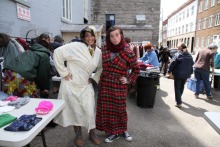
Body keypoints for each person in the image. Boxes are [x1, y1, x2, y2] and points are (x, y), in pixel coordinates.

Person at [53, 26, 102, 147]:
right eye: (86, 36)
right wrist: (64, 73)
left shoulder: (98, 52)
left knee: (90, 110)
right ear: (83, 37)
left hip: (86, 84)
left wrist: (94, 78)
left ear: (96, 37)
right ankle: (78, 134)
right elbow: (57, 53)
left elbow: (101, 68)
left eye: (92, 35)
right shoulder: (74, 46)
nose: (89, 38)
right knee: (76, 111)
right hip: (72, 84)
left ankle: (92, 133)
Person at [96, 26, 140, 143]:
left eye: (117, 35)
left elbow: (136, 70)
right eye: (112, 36)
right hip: (105, 84)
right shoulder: (104, 49)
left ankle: (123, 130)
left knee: (120, 109)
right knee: (108, 110)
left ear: (121, 35)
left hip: (118, 85)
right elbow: (99, 65)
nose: (114, 38)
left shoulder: (127, 51)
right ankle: (113, 132)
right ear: (108, 38)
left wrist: (128, 79)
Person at [3, 33, 51, 98]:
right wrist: (44, 88)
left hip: (8, 73)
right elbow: (42, 74)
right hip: (23, 78)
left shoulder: (28, 51)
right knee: (31, 102)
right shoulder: (44, 55)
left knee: (10, 101)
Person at [168, 42, 194, 108]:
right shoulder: (189, 55)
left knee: (177, 87)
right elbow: (191, 64)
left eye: (178, 47)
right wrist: (190, 73)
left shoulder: (177, 54)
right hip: (186, 74)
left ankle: (179, 102)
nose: (177, 48)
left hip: (178, 74)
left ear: (180, 48)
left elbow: (172, 63)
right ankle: (179, 98)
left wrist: (169, 71)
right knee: (182, 86)